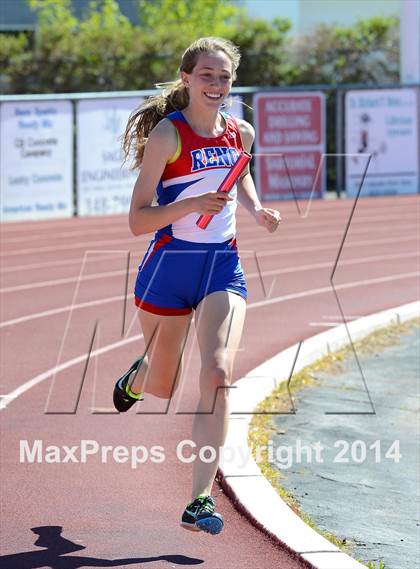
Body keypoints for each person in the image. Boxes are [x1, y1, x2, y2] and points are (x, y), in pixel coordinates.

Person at [113, 37, 281, 535]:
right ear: (186, 78)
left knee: (218, 370)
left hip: (220, 266)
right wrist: (191, 205)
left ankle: (200, 500)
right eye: (207, 75)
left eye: (225, 77)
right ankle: (135, 380)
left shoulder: (241, 131)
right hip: (168, 267)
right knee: (162, 383)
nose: (217, 85)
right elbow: (137, 221)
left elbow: (239, 172)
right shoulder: (169, 135)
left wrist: (253, 208)